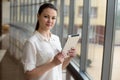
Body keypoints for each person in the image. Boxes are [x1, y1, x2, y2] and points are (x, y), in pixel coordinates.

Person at [22, 3, 76, 80]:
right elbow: (28, 75)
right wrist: (53, 63)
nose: (50, 21)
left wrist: (69, 58)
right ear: (38, 16)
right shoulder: (31, 42)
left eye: (53, 18)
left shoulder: (56, 39)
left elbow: (59, 67)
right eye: (46, 17)